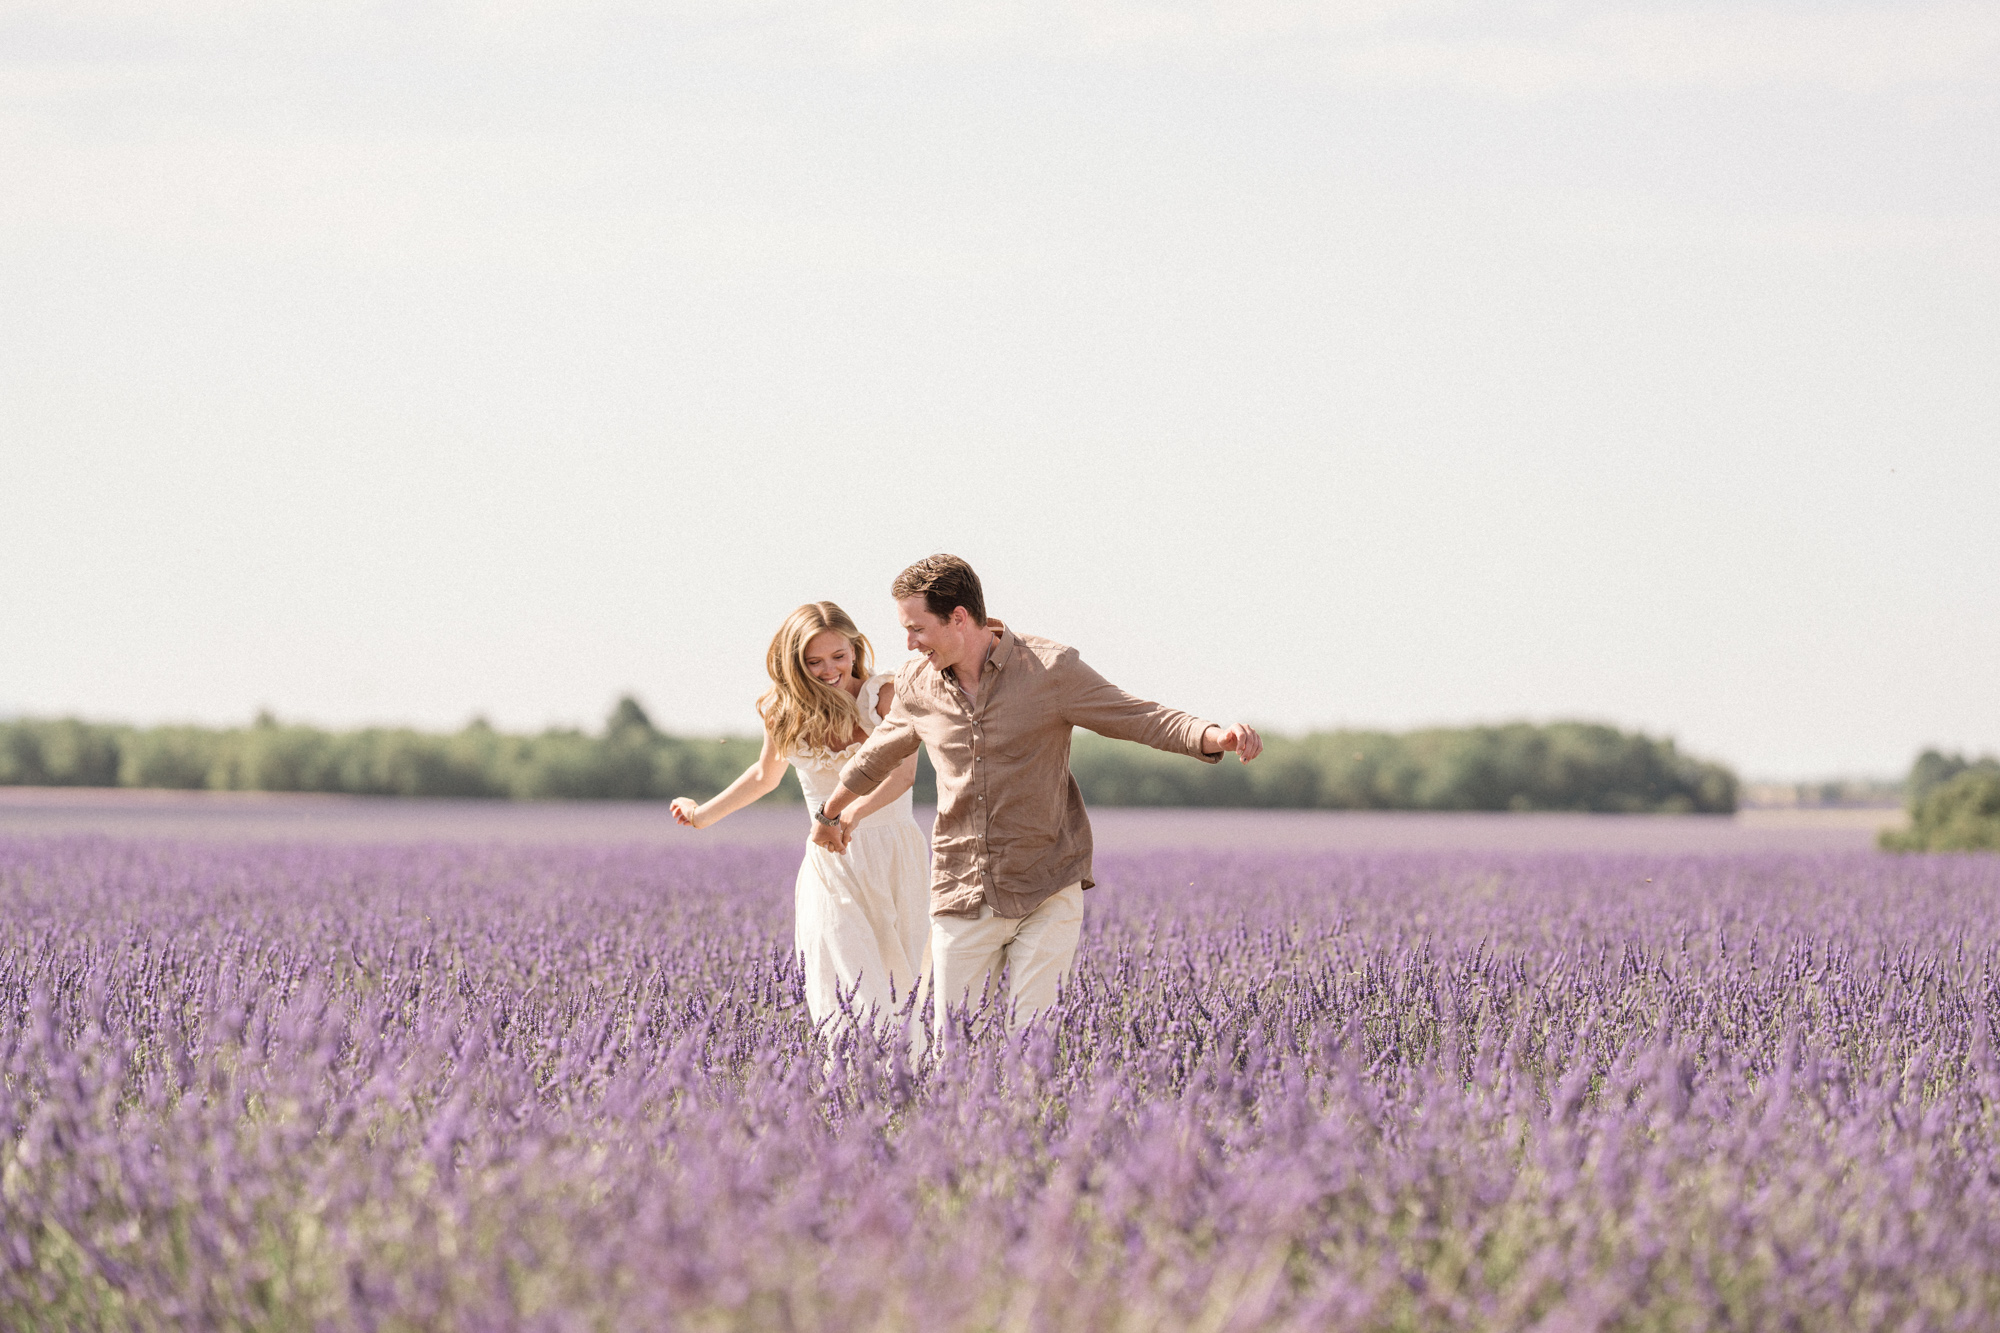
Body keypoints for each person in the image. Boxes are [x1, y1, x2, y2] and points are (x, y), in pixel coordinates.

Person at [812, 554, 1262, 1036]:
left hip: (1046, 886)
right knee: (950, 1050)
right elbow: (877, 754)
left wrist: (1212, 736)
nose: (908, 642)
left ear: (959, 617)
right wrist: (832, 812)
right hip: (962, 889)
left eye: (917, 628)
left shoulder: (1049, 669)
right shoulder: (917, 686)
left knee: (1033, 1044)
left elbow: (1136, 715)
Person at [673, 602, 930, 1040]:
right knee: (846, 983)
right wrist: (701, 815)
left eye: (838, 656)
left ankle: (909, 1090)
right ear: (794, 663)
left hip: (892, 855)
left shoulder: (884, 695)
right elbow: (763, 777)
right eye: (813, 662)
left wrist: (845, 814)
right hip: (831, 862)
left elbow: (904, 775)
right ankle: (851, 1085)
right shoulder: (783, 710)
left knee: (902, 986)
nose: (829, 669)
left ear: (855, 648)